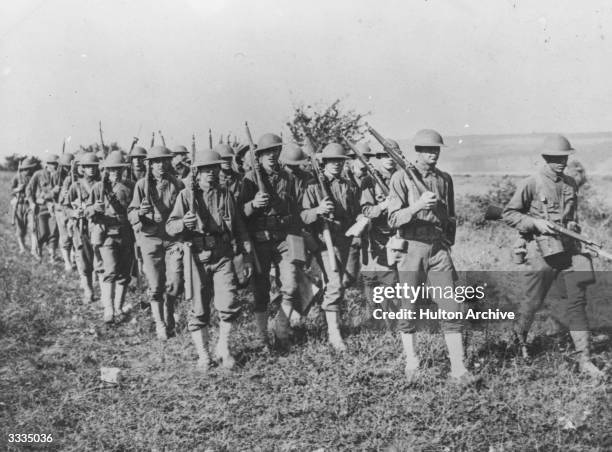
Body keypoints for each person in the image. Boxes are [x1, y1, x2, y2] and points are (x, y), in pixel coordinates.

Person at [502, 134, 604, 378]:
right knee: (532, 301)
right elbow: (509, 214)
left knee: (577, 302)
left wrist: (581, 241)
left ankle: (584, 359)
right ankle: (519, 342)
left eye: (564, 157)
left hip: (569, 250)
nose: (561, 161)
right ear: (545, 158)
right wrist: (535, 223)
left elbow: (573, 219)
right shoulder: (532, 183)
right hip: (542, 250)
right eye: (555, 157)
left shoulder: (570, 183)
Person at [387, 129, 475, 384]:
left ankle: (458, 369)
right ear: (417, 151)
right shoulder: (401, 178)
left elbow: (451, 215)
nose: (432, 154)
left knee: (451, 306)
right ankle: (411, 363)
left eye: (436, 150)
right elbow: (393, 218)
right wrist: (417, 207)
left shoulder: (444, 179)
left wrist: (448, 242)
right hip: (411, 246)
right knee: (409, 307)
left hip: (438, 248)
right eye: (427, 150)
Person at [167, 149, 253, 371]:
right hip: (196, 257)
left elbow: (240, 228)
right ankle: (203, 355)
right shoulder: (185, 196)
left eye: (214, 169)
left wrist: (245, 251)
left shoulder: (226, 195)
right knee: (199, 308)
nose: (211, 174)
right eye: (206, 171)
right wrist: (183, 224)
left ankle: (223, 347)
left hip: (223, 255)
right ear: (197, 173)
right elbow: (170, 227)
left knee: (229, 303)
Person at [238, 133, 301, 349]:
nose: (271, 156)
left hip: (284, 238)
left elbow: (295, 209)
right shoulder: (249, 179)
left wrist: (296, 240)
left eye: (275, 151)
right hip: (260, 240)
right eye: (266, 152)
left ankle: (282, 328)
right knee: (261, 290)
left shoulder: (287, 178)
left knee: (291, 285)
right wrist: (253, 204)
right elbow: (239, 214)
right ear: (260, 155)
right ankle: (262, 337)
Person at [301, 143, 361, 351]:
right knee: (335, 284)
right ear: (324, 162)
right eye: (332, 161)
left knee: (348, 279)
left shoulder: (348, 184)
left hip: (347, 240)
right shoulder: (312, 186)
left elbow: (355, 210)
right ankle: (334, 334)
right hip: (325, 241)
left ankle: (317, 296)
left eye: (340, 161)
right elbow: (303, 216)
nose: (336, 164)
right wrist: (318, 210)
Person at [128, 146, 184, 340]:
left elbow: (185, 207)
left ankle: (169, 314)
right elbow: (131, 213)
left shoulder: (176, 184)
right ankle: (160, 323)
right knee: (155, 284)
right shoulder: (141, 185)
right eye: (156, 162)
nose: (161, 165)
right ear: (150, 165)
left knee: (175, 282)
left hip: (171, 239)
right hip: (150, 238)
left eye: (164, 161)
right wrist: (140, 213)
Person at [87, 151, 134, 323]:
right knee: (110, 270)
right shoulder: (99, 188)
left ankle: (118, 307)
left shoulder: (131, 186)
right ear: (106, 170)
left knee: (124, 273)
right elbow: (87, 210)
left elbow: (134, 207)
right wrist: (94, 209)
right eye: (112, 169)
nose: (115, 172)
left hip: (126, 233)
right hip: (106, 234)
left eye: (119, 169)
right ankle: (108, 309)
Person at [360, 146, 399, 330]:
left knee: (392, 280)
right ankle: (374, 318)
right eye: (384, 155)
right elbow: (367, 210)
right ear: (379, 157)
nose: (389, 159)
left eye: (392, 155)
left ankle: (390, 321)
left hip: (399, 234)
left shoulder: (403, 177)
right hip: (375, 237)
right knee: (373, 278)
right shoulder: (370, 180)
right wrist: (383, 205)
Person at [64, 152, 102, 303]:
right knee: (84, 261)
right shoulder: (76, 185)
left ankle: (103, 291)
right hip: (82, 228)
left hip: (99, 226)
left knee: (99, 259)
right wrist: (74, 211)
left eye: (94, 166)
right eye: (88, 167)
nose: (91, 169)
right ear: (82, 168)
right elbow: (65, 206)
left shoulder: (102, 184)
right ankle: (88, 290)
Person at [26, 154, 62, 260]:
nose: (55, 167)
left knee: (54, 232)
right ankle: (38, 251)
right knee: (42, 231)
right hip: (41, 207)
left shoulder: (60, 175)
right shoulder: (39, 174)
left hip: (54, 207)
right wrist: (31, 202)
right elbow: (29, 189)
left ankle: (52, 256)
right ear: (47, 164)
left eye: (56, 164)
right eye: (53, 164)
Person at [10, 157, 37, 254]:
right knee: (20, 228)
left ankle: (34, 250)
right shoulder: (17, 177)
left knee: (33, 227)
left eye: (29, 169)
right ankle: (22, 247)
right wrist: (17, 189)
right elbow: (11, 190)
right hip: (19, 205)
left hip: (30, 205)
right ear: (22, 169)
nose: (27, 171)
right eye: (25, 169)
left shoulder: (34, 177)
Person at [55, 153, 76, 272]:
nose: (68, 169)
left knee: (74, 235)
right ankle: (67, 262)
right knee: (65, 238)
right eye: (66, 166)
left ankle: (74, 258)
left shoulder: (76, 177)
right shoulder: (57, 176)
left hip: (73, 209)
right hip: (61, 210)